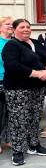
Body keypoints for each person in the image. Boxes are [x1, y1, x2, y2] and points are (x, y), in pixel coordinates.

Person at [2, 19, 46, 166]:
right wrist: (38, 73)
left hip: (37, 88)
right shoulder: (11, 45)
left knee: (35, 116)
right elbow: (13, 66)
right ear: (14, 29)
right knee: (19, 120)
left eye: (28, 27)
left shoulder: (35, 43)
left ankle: (33, 145)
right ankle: (17, 151)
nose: (26, 29)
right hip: (18, 89)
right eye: (22, 27)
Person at [0, 16, 12, 154]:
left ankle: (8, 139)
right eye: (7, 24)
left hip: (13, 81)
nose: (10, 26)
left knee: (11, 113)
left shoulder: (15, 42)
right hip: (0, 79)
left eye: (11, 24)